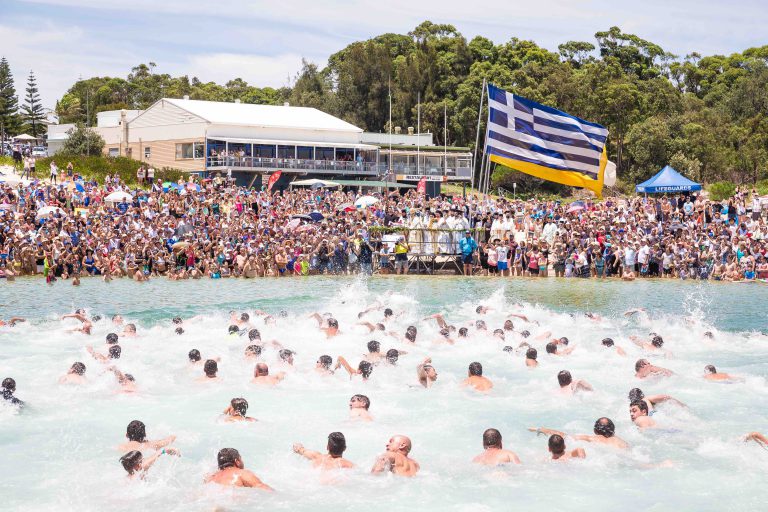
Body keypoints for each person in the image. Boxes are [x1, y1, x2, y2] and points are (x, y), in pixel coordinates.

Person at [529, 418, 628, 450]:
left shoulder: (592, 438)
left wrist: (540, 429)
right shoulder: (622, 442)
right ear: (613, 430)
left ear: (595, 430)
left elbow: (563, 435)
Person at [205, 448, 274, 490]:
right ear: (237, 461)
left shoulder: (210, 477)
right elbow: (263, 488)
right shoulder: (241, 473)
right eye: (240, 459)